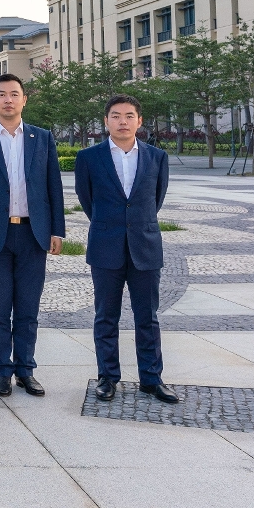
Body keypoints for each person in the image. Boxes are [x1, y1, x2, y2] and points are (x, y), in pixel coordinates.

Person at [0, 73, 65, 398]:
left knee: (27, 308)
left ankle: (25, 370)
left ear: (24, 99)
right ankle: (2, 372)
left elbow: (54, 187)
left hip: (33, 233)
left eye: (14, 94)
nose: (8, 99)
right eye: (2, 94)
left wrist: (57, 230)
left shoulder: (42, 138)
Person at [75, 94, 178, 404]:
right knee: (106, 316)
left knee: (148, 317)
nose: (123, 121)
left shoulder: (157, 157)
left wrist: (135, 225)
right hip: (105, 246)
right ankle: (107, 377)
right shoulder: (89, 158)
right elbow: (87, 200)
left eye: (129, 116)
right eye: (116, 116)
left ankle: (151, 378)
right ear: (106, 121)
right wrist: (111, 224)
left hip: (145, 247)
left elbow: (155, 199)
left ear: (139, 121)